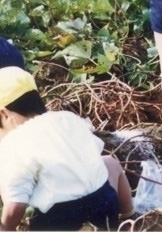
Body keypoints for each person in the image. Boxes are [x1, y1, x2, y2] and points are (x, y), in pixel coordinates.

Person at [0, 66, 134, 231]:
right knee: (110, 162)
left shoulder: (13, 143)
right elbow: (94, 152)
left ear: (4, 114)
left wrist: (6, 228)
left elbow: (15, 207)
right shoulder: (67, 118)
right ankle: (129, 217)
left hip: (60, 222)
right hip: (105, 208)